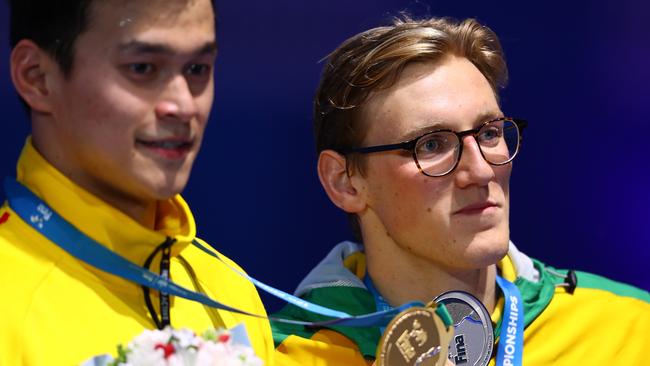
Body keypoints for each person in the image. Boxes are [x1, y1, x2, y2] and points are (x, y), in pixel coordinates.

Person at [271, 16, 650, 365]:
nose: (482, 170)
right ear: (345, 182)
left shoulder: (630, 330)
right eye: (432, 145)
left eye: (488, 133)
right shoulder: (284, 355)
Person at [0, 0, 274, 364]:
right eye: (142, 68)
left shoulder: (229, 291)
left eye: (197, 69)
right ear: (36, 77)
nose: (184, 105)